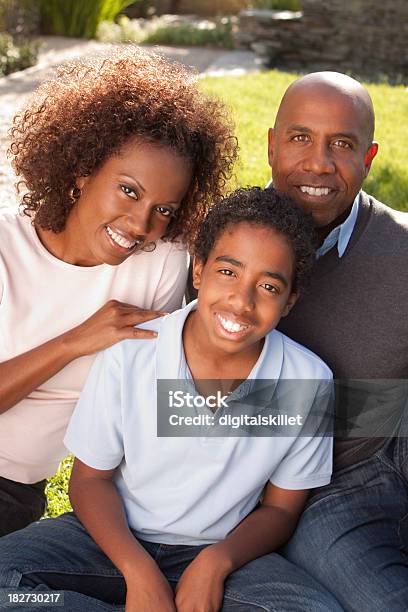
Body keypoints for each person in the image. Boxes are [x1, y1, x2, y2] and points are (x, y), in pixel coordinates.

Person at [0, 187, 342, 612]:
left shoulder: (306, 380)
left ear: (289, 300)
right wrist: (138, 572)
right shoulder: (133, 350)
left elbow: (281, 510)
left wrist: (217, 563)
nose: (242, 300)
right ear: (198, 270)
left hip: (225, 554)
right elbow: (90, 480)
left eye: (269, 286)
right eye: (228, 272)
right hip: (111, 542)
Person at [0, 46, 237, 536]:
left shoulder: (160, 263)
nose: (141, 223)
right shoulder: (6, 249)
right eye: (128, 190)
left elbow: (162, 394)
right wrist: (76, 342)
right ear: (83, 170)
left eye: (165, 209)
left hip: (12, 493)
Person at [266, 71, 408, 611]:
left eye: (342, 144)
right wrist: (372, 403)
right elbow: (184, 402)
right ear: (273, 144)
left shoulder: (401, 249)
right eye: (300, 137)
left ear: (368, 157)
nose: (319, 163)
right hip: (301, 491)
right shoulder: (218, 247)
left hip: (380, 458)